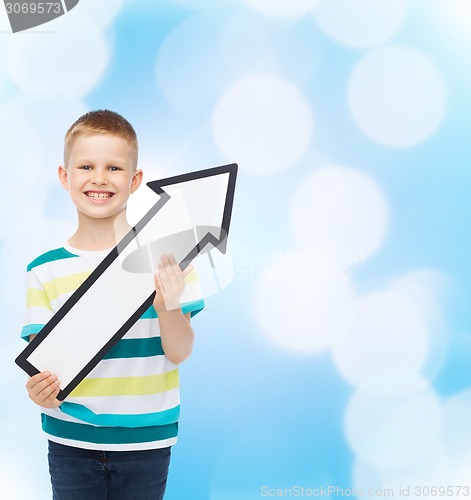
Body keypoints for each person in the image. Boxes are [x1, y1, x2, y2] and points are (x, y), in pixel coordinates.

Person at [21, 110, 204, 500]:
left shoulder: (170, 255)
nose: (100, 178)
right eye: (86, 166)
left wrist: (168, 305)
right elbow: (44, 367)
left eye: (114, 167)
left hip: (146, 440)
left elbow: (180, 350)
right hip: (70, 438)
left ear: (135, 180)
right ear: (64, 176)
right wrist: (40, 390)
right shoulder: (44, 270)